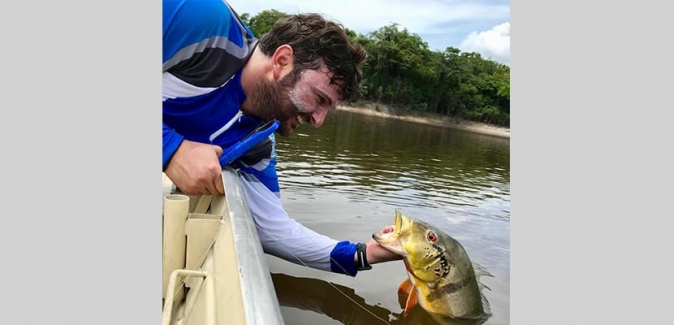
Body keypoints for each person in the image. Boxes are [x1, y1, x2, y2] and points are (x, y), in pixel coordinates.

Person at [162, 0, 400, 277]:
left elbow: (272, 228)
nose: (318, 121)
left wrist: (363, 253)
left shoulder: (257, 142)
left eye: (328, 109)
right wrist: (170, 149)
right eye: (319, 99)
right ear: (282, 61)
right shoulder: (199, 19)